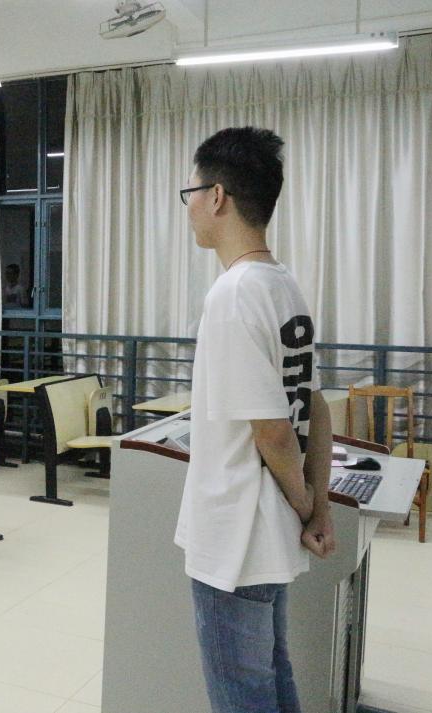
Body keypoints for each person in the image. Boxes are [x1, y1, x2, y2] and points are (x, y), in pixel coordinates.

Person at [173, 127, 335, 713]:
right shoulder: (282, 285)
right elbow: (314, 405)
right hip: (267, 535)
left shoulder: (233, 294)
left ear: (217, 196)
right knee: (272, 680)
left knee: (243, 697)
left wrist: (305, 502)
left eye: (191, 192)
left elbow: (272, 429)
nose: (189, 207)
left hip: (235, 539)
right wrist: (315, 505)